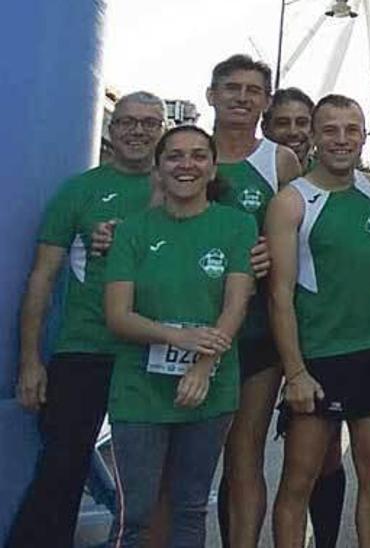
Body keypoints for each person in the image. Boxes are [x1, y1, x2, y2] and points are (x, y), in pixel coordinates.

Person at [9, 91, 166, 548]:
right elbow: (42, 278)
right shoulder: (79, 192)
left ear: (162, 130)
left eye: (150, 123)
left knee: (152, 479)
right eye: (128, 122)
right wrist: (30, 362)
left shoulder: (182, 188)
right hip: (85, 348)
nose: (138, 131)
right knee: (62, 467)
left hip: (151, 351)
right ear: (111, 130)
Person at [102, 125, 257, 547]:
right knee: (135, 516)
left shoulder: (238, 226)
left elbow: (235, 306)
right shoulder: (132, 230)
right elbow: (118, 315)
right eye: (174, 156)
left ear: (211, 169)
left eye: (197, 156)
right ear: (158, 168)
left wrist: (204, 367)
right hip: (140, 392)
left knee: (190, 509)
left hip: (209, 389)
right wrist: (178, 337)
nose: (185, 165)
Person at [267, 94, 370, 548]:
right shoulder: (293, 202)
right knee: (298, 480)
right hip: (320, 359)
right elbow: (279, 295)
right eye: (331, 130)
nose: (342, 140)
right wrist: (296, 371)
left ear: (363, 135)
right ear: (315, 137)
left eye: (352, 130)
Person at [203, 54, 305, 548]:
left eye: (252, 90)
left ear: (264, 102)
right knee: (186, 462)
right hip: (186, 329)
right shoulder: (185, 154)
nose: (242, 98)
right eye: (232, 88)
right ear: (211, 95)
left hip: (255, 333)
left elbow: (301, 233)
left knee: (243, 459)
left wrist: (275, 248)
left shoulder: (279, 161)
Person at [262, 87, 316, 168]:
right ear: (265, 128)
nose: (293, 132)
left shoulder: (331, 175)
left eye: (302, 123)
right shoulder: (249, 173)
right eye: (282, 123)